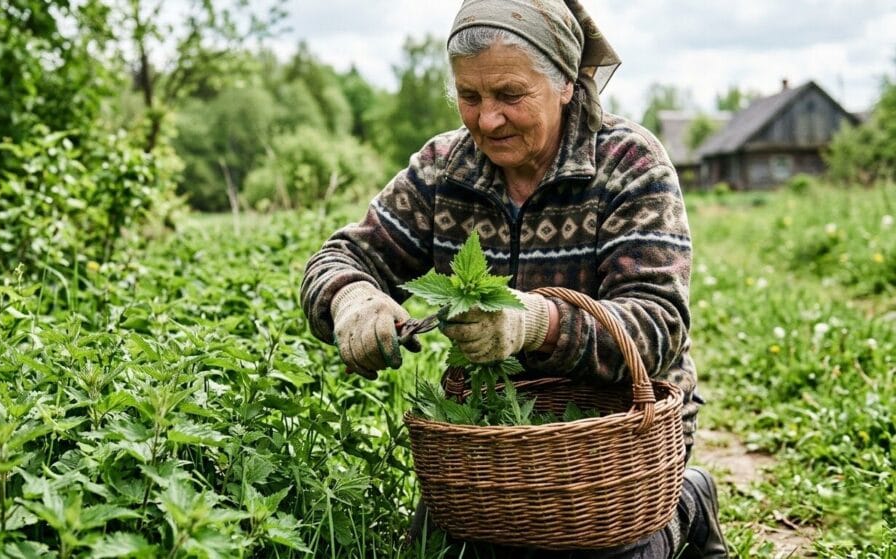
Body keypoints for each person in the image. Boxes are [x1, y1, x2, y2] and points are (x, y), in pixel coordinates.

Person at [301, 0, 727, 556]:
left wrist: (532, 322)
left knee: (602, 545)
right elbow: (341, 257)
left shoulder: (628, 164)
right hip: (492, 429)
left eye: (510, 95)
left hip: (620, 434)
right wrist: (354, 301)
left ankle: (686, 500)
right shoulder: (444, 170)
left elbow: (656, 326)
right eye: (469, 96)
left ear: (566, 83)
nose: (487, 120)